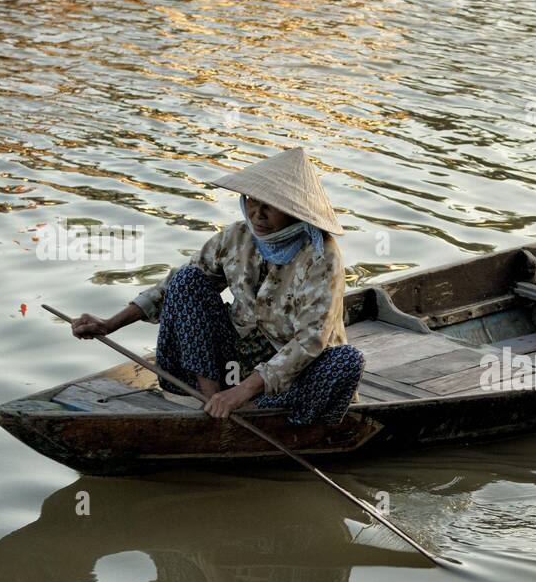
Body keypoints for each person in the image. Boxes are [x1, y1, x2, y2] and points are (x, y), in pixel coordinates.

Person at [69, 148, 364, 426]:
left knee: (347, 361)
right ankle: (210, 403)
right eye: (252, 201)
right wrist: (109, 325)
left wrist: (243, 392)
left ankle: (270, 417)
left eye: (270, 207)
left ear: (295, 213)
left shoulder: (321, 255)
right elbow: (172, 287)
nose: (257, 215)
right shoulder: (237, 236)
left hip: (285, 381)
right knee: (187, 280)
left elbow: (311, 340)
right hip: (229, 370)